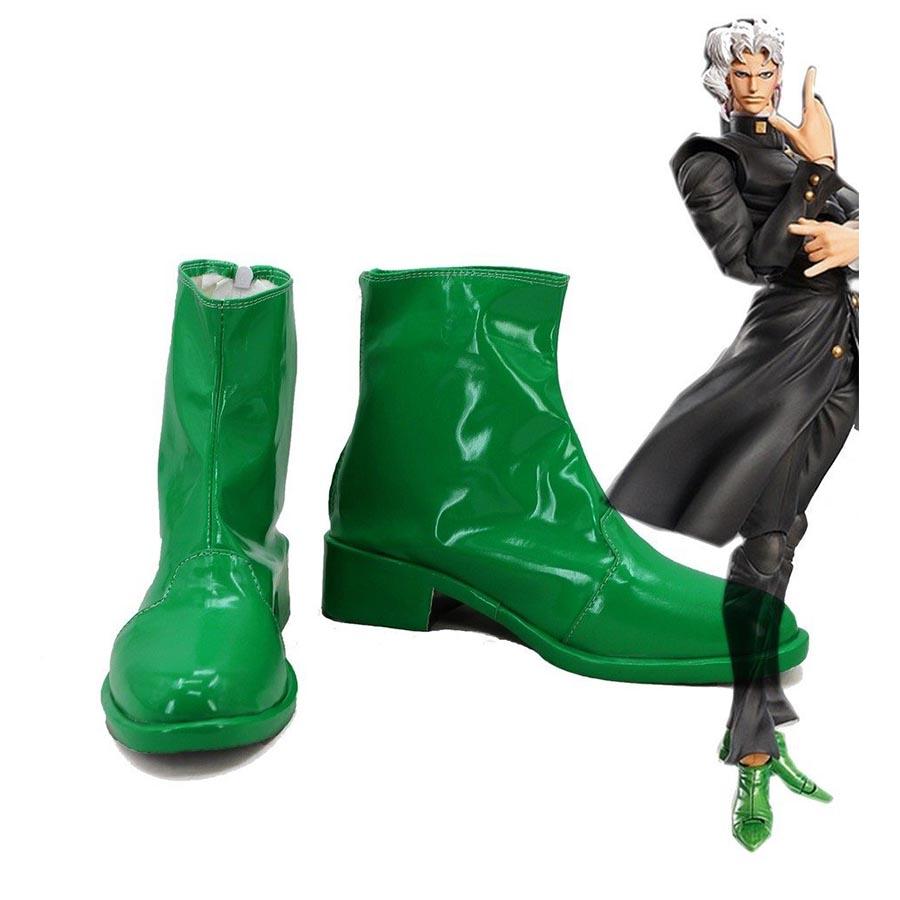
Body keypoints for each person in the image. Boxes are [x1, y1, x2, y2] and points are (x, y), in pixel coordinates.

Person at [607, 18, 859, 851]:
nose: (755, 83)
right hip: (792, 350)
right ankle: (753, 748)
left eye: (765, 69)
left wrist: (843, 211)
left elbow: (851, 232)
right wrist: (818, 170)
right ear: (718, 80)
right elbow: (748, 259)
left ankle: (753, 729)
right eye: (740, 73)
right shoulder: (710, 159)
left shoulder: (793, 142)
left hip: (851, 347)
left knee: (787, 529)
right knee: (770, 536)